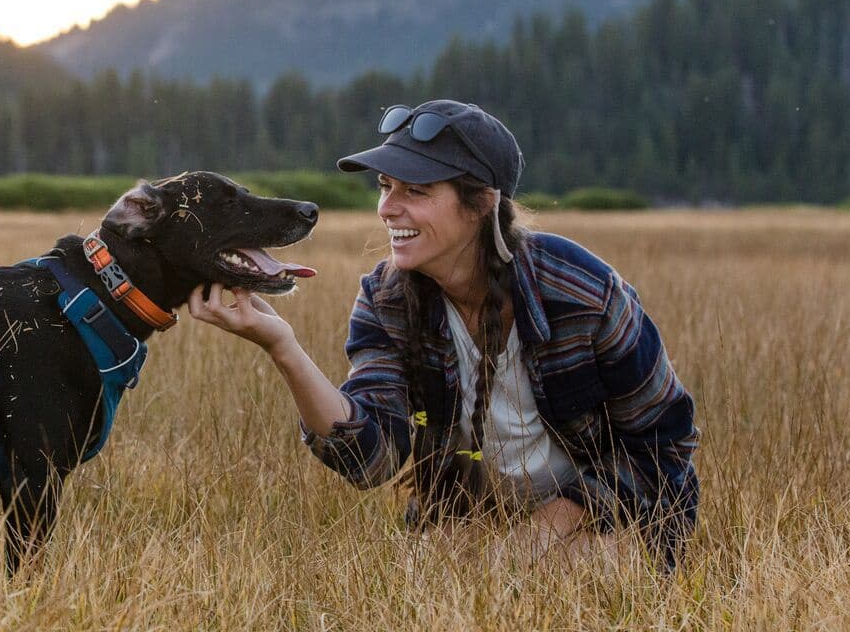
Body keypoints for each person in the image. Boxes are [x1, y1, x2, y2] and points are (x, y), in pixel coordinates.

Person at [187, 100, 699, 569]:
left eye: (416, 191)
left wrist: (551, 528)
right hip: (476, 517)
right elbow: (368, 459)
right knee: (425, 577)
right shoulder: (387, 298)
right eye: (386, 187)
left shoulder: (580, 292)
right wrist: (283, 348)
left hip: (617, 519)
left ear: (481, 204)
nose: (388, 208)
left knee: (553, 574)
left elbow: (664, 446)